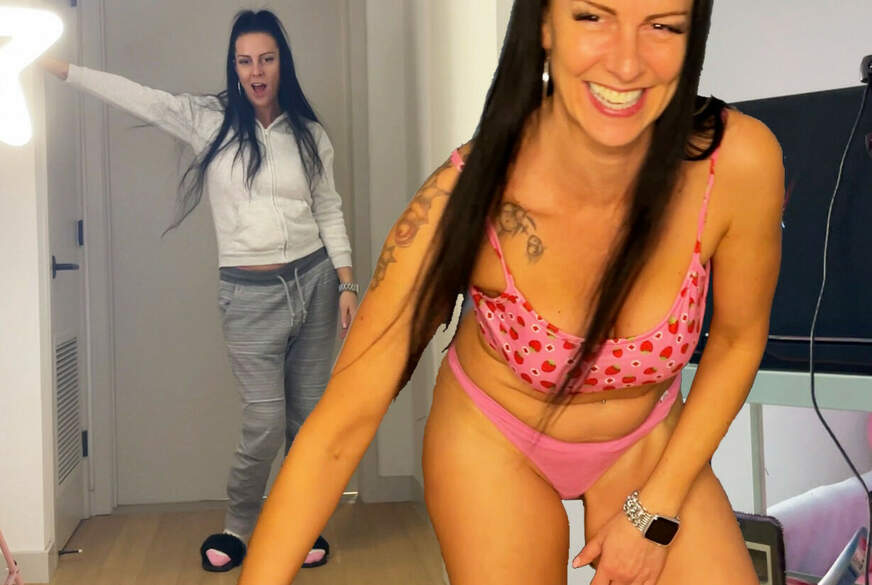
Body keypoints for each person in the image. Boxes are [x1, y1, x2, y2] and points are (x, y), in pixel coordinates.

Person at [237, 0, 783, 583]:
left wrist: (655, 510)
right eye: (592, 18)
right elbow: (339, 427)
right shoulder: (464, 201)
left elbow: (737, 340)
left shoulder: (738, 163)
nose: (627, 63)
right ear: (544, 23)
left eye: (662, 26)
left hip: (645, 440)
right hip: (494, 441)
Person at [38, 9, 357, 573]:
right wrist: (60, 68)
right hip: (249, 295)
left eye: (266, 59)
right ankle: (238, 527)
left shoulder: (309, 135)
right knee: (264, 422)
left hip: (314, 282)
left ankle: (298, 525)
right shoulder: (210, 122)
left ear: (281, 63)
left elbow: (327, 207)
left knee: (307, 423)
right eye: (245, 61)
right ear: (234, 67)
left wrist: (346, 281)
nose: (256, 72)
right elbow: (140, 98)